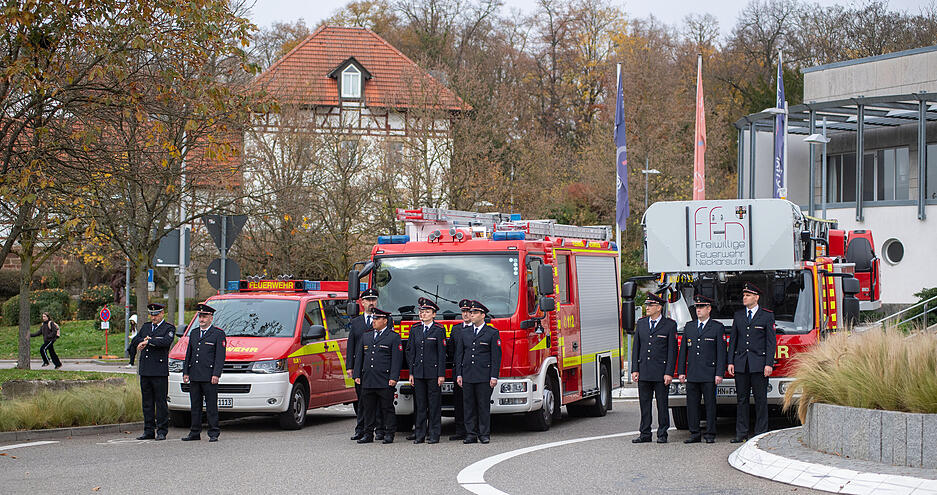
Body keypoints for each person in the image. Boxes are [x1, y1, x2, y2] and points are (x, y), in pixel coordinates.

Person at [728, 282, 777, 443]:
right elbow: (733, 340)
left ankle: (760, 433)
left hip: (759, 364)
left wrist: (769, 364)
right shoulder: (738, 316)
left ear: (756, 298)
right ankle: (741, 433)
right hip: (741, 363)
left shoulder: (767, 316)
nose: (744, 298)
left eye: (748, 295)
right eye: (744, 295)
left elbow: (770, 342)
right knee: (741, 400)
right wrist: (730, 361)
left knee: (760, 399)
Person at [677, 294, 727, 444]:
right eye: (697, 307)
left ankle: (710, 433)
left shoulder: (717, 327)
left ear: (709, 309)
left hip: (709, 373)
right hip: (693, 373)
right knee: (692, 405)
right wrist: (681, 372)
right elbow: (683, 352)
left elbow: (721, 353)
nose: (698, 310)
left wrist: (719, 373)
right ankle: (694, 433)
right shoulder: (690, 327)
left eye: (701, 307)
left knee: (710, 405)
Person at [630, 292, 677, 444]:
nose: (647, 307)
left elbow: (672, 351)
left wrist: (669, 372)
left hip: (660, 372)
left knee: (662, 404)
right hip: (644, 370)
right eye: (647, 305)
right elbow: (636, 348)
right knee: (644, 404)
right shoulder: (642, 323)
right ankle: (645, 433)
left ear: (659, 307)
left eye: (650, 305)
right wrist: (635, 369)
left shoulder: (669, 325)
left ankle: (662, 433)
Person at [455, 300, 502, 444]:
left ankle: (484, 434)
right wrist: (459, 374)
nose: (471, 315)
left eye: (475, 313)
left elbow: (496, 356)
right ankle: (471, 434)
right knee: (468, 406)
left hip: (483, 375)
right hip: (468, 374)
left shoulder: (492, 333)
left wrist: (494, 376)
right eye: (471, 312)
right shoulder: (464, 333)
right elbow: (459, 355)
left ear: (483, 315)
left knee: (483, 406)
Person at [127, 303, 176, 441]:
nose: (153, 317)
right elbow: (136, 339)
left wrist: (149, 341)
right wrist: (143, 340)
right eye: (151, 315)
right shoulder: (146, 327)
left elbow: (165, 342)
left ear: (162, 314)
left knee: (160, 402)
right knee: (147, 403)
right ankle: (148, 430)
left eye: (156, 315)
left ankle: (162, 430)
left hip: (159, 371)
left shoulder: (168, 328)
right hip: (146, 370)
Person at [353, 307, 402, 444]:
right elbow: (360, 357)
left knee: (387, 408)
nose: (374, 321)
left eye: (377, 318)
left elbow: (396, 360)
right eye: (373, 318)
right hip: (368, 378)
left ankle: (389, 433)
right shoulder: (366, 336)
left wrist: (393, 377)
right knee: (368, 408)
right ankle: (368, 434)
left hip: (384, 379)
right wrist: (357, 374)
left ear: (385, 321)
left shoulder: (393, 337)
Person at [182, 302, 226, 442]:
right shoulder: (194, 333)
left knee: (211, 405)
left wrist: (216, 374)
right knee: (195, 405)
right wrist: (186, 372)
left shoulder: (218, 334)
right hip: (195, 375)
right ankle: (195, 432)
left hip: (209, 376)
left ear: (211, 318)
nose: (202, 319)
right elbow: (189, 354)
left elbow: (220, 357)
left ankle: (213, 432)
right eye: (200, 316)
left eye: (205, 317)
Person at [406, 297, 446, 444]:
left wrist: (441, 374)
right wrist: (411, 372)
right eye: (422, 311)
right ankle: (420, 434)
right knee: (420, 405)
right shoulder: (415, 329)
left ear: (434, 314)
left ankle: (434, 434)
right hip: (418, 373)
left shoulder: (439, 330)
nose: (423, 314)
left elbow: (442, 354)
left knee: (434, 405)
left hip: (433, 373)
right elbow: (411, 351)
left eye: (427, 311)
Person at [347, 288, 379, 441]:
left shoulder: (383, 319)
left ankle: (379, 429)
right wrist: (350, 367)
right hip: (360, 367)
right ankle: (360, 429)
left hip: (377, 366)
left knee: (378, 400)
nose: (372, 303)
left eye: (374, 300)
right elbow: (351, 345)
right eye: (369, 300)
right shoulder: (356, 322)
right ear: (362, 302)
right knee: (361, 400)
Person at [446, 299, 473, 441]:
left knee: (472, 403)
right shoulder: (456, 329)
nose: (466, 314)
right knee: (459, 402)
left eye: (468, 311)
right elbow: (451, 350)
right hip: (458, 371)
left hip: (472, 371)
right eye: (463, 311)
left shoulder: (477, 329)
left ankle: (473, 430)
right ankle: (460, 430)